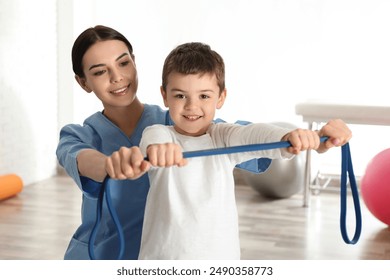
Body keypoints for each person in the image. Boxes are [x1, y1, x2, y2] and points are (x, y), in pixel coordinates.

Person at [56, 25, 278, 260]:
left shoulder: (180, 123)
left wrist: (303, 138)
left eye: (123, 63)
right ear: (83, 82)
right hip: (104, 255)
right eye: (100, 71)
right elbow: (82, 159)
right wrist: (112, 164)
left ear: (134, 61)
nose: (117, 77)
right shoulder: (77, 135)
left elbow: (243, 137)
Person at [123, 42, 352, 259]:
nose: (192, 106)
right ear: (164, 95)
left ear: (221, 97)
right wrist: (160, 150)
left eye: (204, 96)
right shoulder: (158, 133)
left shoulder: (223, 137)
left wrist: (289, 137)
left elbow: (253, 133)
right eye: (180, 95)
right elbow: (153, 142)